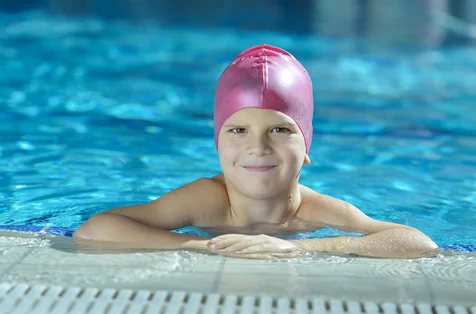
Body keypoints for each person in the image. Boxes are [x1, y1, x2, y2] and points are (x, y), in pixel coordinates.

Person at [73, 44, 438, 259]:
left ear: (306, 147)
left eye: (280, 130)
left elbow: (419, 242)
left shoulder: (315, 210)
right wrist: (203, 246)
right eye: (238, 130)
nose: (257, 147)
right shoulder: (206, 200)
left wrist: (306, 249)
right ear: (218, 144)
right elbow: (93, 229)